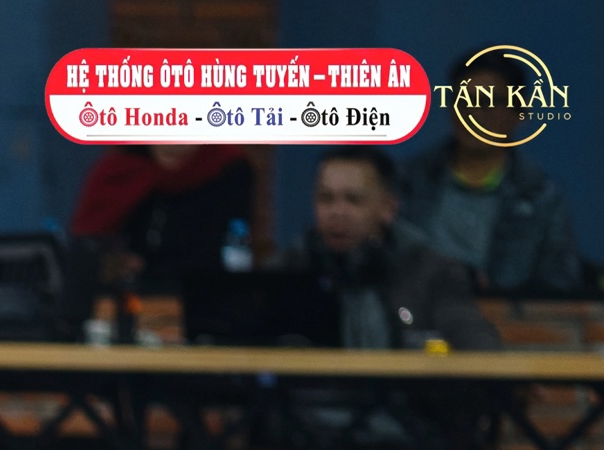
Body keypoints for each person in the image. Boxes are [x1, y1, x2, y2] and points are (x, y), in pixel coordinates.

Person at [400, 51, 584, 295]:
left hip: (507, 317)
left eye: (488, 103)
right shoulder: (407, 181)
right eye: (464, 101)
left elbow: (560, 288)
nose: (474, 115)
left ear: (520, 113)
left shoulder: (542, 198)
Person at [278, 150, 499, 351]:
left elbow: (477, 347)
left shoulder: (434, 274)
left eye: (353, 200)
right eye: (326, 199)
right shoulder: (287, 270)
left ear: (387, 208)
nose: (337, 212)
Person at [70, 145, 254, 280]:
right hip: (130, 297)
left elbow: (231, 247)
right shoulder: (120, 169)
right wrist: (113, 263)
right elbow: (87, 248)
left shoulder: (228, 168)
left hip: (206, 294)